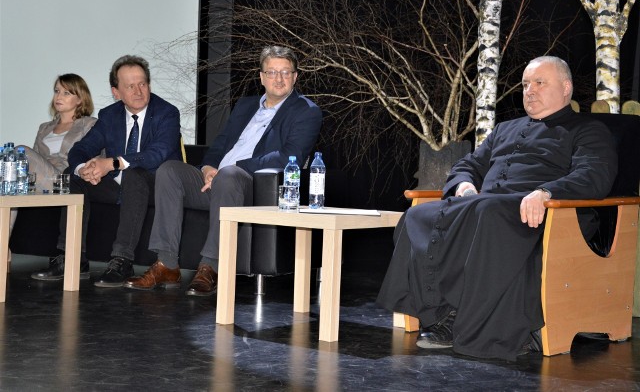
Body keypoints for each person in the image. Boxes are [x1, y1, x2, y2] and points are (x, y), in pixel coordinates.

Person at [376, 56, 618, 361]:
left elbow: (594, 175)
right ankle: (439, 314)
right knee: (417, 214)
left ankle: (471, 322)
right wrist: (464, 186)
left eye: (539, 83)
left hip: (551, 216)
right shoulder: (505, 129)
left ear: (566, 87)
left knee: (487, 213)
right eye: (525, 84)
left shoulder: (588, 130)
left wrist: (545, 192)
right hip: (486, 209)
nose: (529, 90)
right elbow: (468, 165)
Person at [124, 45, 322, 296]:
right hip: (218, 180)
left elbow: (289, 156)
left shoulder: (306, 110)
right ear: (261, 77)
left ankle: (211, 267)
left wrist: (233, 167)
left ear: (295, 76)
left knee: (228, 175)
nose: (278, 78)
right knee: (169, 170)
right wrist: (208, 167)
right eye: (272, 72)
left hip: (252, 186)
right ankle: (167, 264)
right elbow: (221, 143)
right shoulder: (246, 105)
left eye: (285, 72)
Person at [31, 55, 182, 287]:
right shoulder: (110, 115)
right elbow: (81, 149)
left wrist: (112, 163)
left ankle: (122, 260)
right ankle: (71, 257)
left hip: (155, 185)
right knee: (73, 175)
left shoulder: (167, 112)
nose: (138, 90)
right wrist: (83, 169)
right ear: (116, 92)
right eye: (130, 86)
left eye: (142, 83)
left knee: (134, 174)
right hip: (119, 185)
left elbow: (157, 153)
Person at [10, 74, 97, 229]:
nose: (58, 96)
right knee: (8, 184)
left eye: (66, 93)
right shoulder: (44, 128)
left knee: (20, 151)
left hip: (66, 179)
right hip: (41, 181)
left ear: (80, 99)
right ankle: (3, 248)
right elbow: (35, 160)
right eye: (56, 91)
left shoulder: (89, 124)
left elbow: (93, 156)